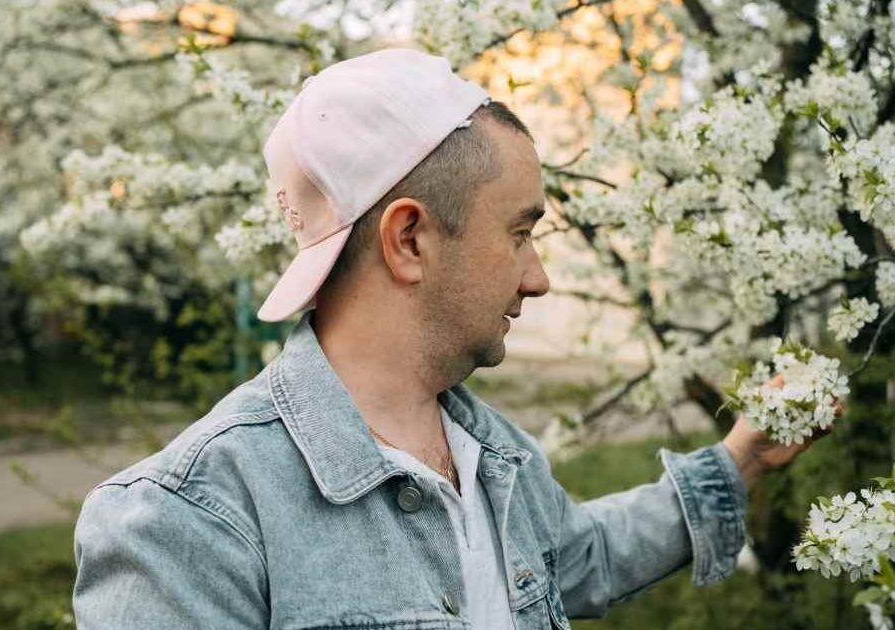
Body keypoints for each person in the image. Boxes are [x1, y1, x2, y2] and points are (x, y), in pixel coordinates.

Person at [72, 47, 830, 629]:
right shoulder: (188, 521)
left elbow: (577, 557)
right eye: (521, 232)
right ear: (409, 239)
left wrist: (738, 461)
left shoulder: (493, 454)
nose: (538, 279)